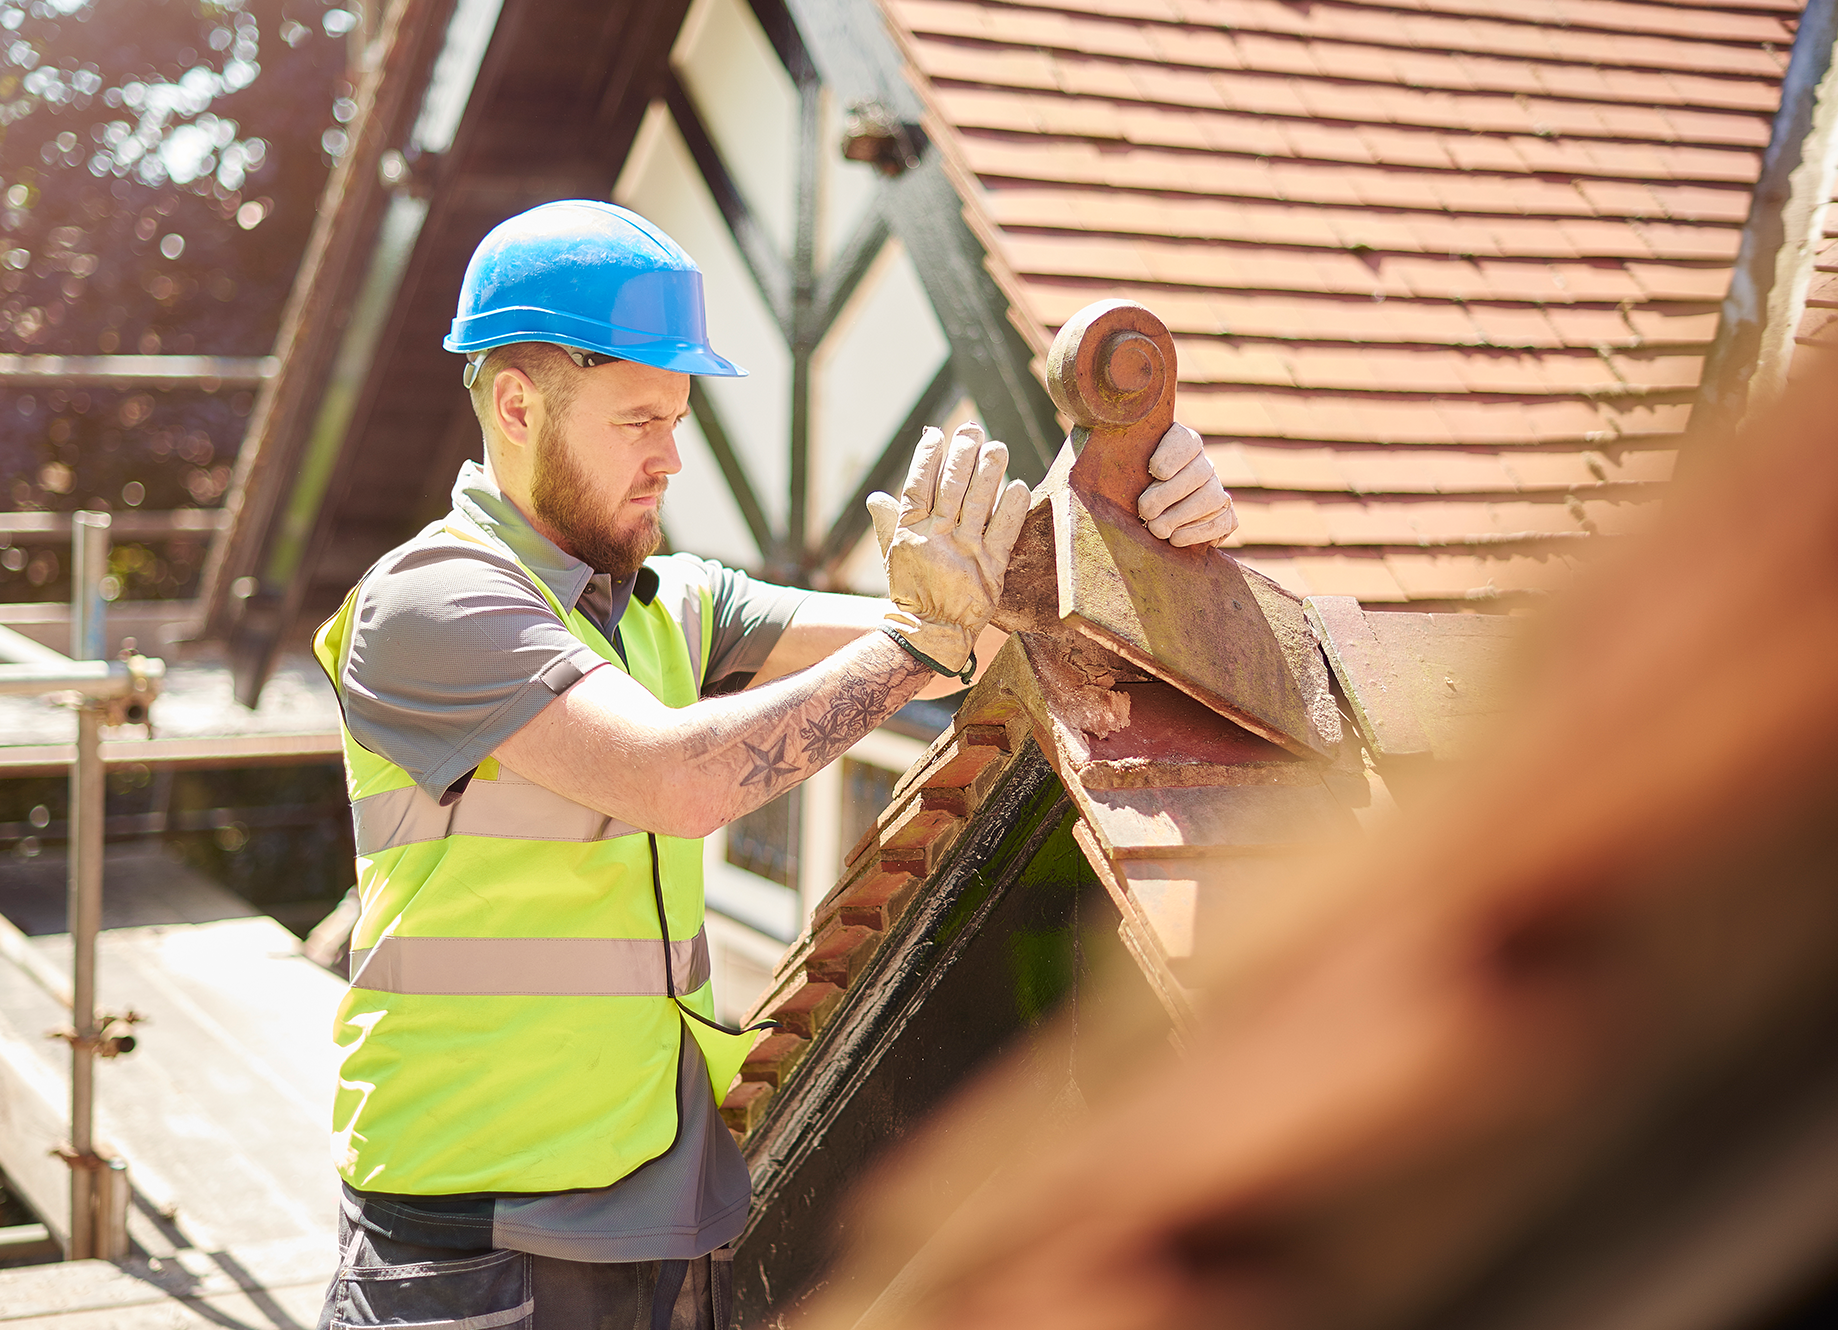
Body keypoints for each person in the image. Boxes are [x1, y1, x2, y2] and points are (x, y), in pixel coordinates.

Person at [311, 200, 1238, 1330]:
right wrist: (917, 642)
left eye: (680, 415)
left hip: (657, 1210)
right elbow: (681, 777)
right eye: (638, 418)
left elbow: (979, 634)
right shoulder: (429, 601)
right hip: (471, 1239)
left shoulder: (671, 602)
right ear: (516, 404)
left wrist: (1130, 510)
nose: (671, 453)